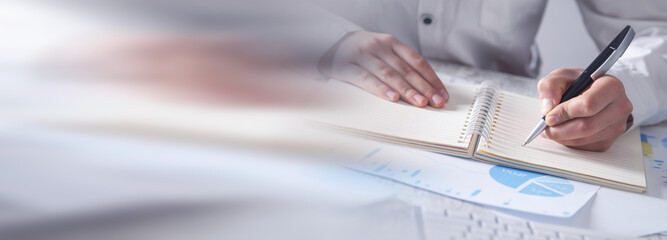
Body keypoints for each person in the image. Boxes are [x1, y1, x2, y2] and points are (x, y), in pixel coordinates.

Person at [313, 0, 667, 151]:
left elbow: (656, 28)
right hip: (319, 99)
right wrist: (319, 36)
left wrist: (626, 84)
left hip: (503, 111)